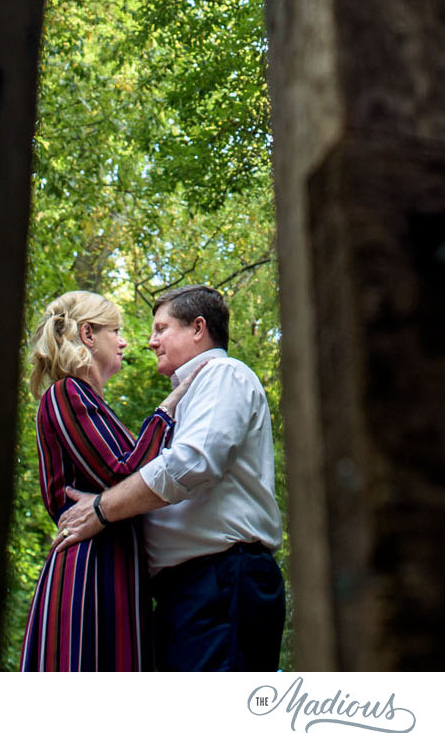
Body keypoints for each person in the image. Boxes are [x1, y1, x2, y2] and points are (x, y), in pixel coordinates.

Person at [52, 284, 284, 670]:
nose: (149, 341)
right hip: (187, 593)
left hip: (222, 581)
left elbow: (193, 462)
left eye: (161, 329)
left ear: (197, 328)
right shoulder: (190, 397)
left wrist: (101, 510)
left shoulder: (225, 374)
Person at [18, 289, 194, 671]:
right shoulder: (65, 394)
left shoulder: (91, 402)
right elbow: (122, 473)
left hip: (116, 567)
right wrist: (169, 407)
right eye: (115, 330)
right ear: (87, 335)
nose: (125, 340)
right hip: (88, 572)